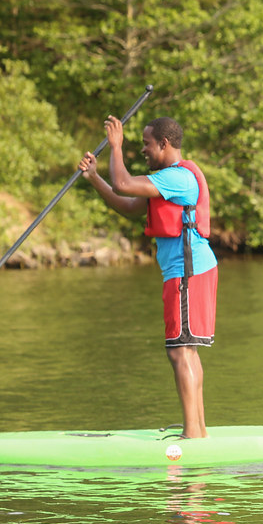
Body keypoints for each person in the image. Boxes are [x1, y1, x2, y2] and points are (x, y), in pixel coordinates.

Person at [79, 115, 217, 438]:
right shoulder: (165, 181)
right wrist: (95, 178)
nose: (143, 149)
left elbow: (124, 183)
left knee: (179, 351)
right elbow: (129, 205)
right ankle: (198, 430)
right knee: (186, 349)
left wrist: (116, 146)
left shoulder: (178, 178)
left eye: (146, 143)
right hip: (185, 272)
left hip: (188, 272)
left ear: (164, 144)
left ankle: (192, 434)